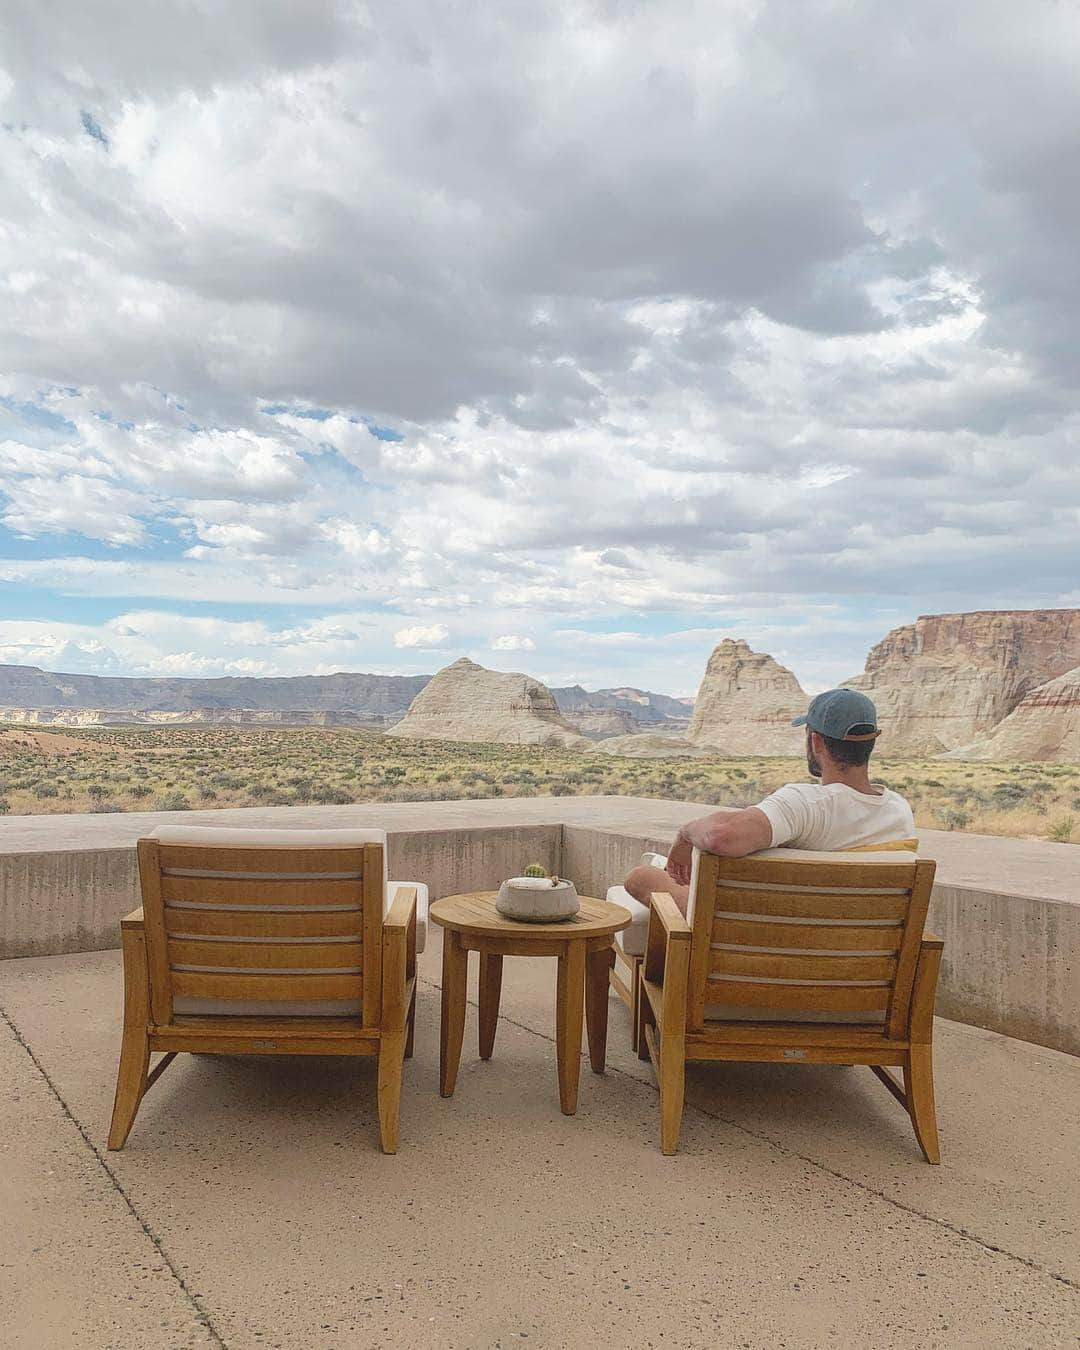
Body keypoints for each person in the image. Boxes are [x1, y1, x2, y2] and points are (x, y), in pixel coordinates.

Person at [624, 688, 915, 914]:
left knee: (641, 877)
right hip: (859, 971)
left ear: (816, 742)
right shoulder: (899, 811)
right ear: (871, 743)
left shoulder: (806, 805)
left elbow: (721, 836)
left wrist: (685, 833)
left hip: (768, 961)